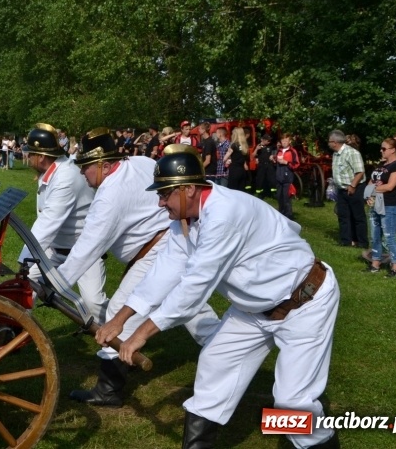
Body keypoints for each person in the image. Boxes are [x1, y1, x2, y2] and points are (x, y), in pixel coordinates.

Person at [96, 145, 340, 448]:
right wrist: (120, 320)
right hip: (252, 309)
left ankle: (319, 442)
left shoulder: (224, 215)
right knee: (213, 367)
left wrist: (141, 334)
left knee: (293, 402)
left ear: (188, 189)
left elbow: (194, 288)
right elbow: (162, 274)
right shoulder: (184, 220)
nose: (160, 203)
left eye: (165, 194)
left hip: (305, 303)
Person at [60, 129, 219, 408]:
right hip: (174, 239)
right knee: (194, 310)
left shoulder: (110, 194)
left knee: (117, 312)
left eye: (86, 167)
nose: (83, 173)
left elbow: (88, 248)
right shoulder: (142, 163)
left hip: (159, 251)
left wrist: (56, 283)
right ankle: (230, 354)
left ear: (104, 165)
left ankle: (108, 390)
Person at [18, 124, 108, 325]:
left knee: (93, 303)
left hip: (84, 250)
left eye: (30, 153)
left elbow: (47, 223)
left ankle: (115, 347)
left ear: (41, 156)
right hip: (54, 249)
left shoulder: (65, 178)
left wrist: (23, 260)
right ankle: (15, 330)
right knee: (24, 286)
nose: (27, 157)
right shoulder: (52, 172)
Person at [364, 138, 396, 277]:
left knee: (389, 236)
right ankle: (375, 263)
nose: (381, 151)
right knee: (374, 235)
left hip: (390, 205)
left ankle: (395, 267)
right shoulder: (381, 165)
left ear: (393, 150)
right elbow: (371, 181)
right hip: (375, 203)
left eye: (384, 149)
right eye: (381, 148)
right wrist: (369, 196)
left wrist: (372, 190)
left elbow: (390, 186)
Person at [329, 130, 368, 248]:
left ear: (335, 142)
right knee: (343, 216)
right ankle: (346, 240)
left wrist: (353, 186)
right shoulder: (336, 154)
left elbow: (360, 172)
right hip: (341, 189)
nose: (329, 144)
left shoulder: (352, 153)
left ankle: (362, 242)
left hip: (354, 188)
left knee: (358, 216)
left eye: (330, 141)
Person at [272, 133, 300, 220]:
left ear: (289, 141)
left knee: (286, 198)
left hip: (287, 178)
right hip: (279, 177)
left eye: (286, 140)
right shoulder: (279, 151)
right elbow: (276, 163)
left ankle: (289, 216)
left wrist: (286, 163)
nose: (284, 142)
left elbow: (296, 164)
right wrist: (273, 159)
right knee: (279, 197)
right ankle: (281, 215)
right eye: (282, 140)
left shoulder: (292, 151)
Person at [252, 133, 276, 199]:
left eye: (269, 140)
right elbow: (253, 155)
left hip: (269, 165)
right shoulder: (258, 146)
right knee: (260, 180)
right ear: (263, 140)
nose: (269, 141)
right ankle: (259, 194)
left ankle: (273, 194)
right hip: (261, 165)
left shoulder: (271, 146)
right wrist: (256, 149)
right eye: (268, 140)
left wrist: (273, 156)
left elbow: (275, 151)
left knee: (272, 179)